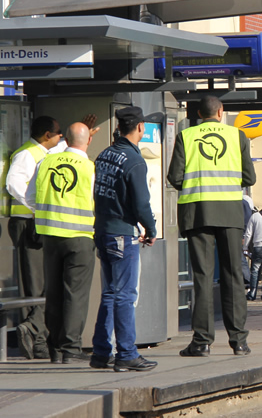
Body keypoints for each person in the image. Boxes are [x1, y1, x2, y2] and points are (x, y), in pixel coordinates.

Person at [167, 95, 256, 357]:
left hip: (197, 213)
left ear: (199, 113)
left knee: (202, 278)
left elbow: (175, 176)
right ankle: (239, 341)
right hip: (230, 212)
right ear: (221, 112)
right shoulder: (237, 136)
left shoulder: (187, 136)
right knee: (233, 276)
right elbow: (249, 176)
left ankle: (202, 342)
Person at [90, 106, 158, 372]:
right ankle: (127, 353)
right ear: (140, 127)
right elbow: (142, 203)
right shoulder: (134, 161)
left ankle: (100, 352)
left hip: (103, 230)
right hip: (122, 234)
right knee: (125, 295)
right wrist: (150, 229)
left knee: (109, 293)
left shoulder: (105, 154)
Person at [23, 121, 96, 363]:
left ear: (66, 140)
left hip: (51, 237)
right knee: (75, 294)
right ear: (88, 141)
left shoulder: (46, 162)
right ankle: (71, 350)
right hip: (80, 239)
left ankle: (54, 349)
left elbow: (30, 196)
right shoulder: (89, 167)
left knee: (53, 293)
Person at [2, 115, 64, 360]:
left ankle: (40, 336)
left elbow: (67, 145)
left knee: (44, 282)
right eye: (58, 133)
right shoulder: (27, 154)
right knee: (34, 283)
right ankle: (35, 338)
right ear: (47, 135)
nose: (61, 138)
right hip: (28, 224)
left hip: (37, 223)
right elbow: (14, 184)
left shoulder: (43, 152)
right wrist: (36, 208)